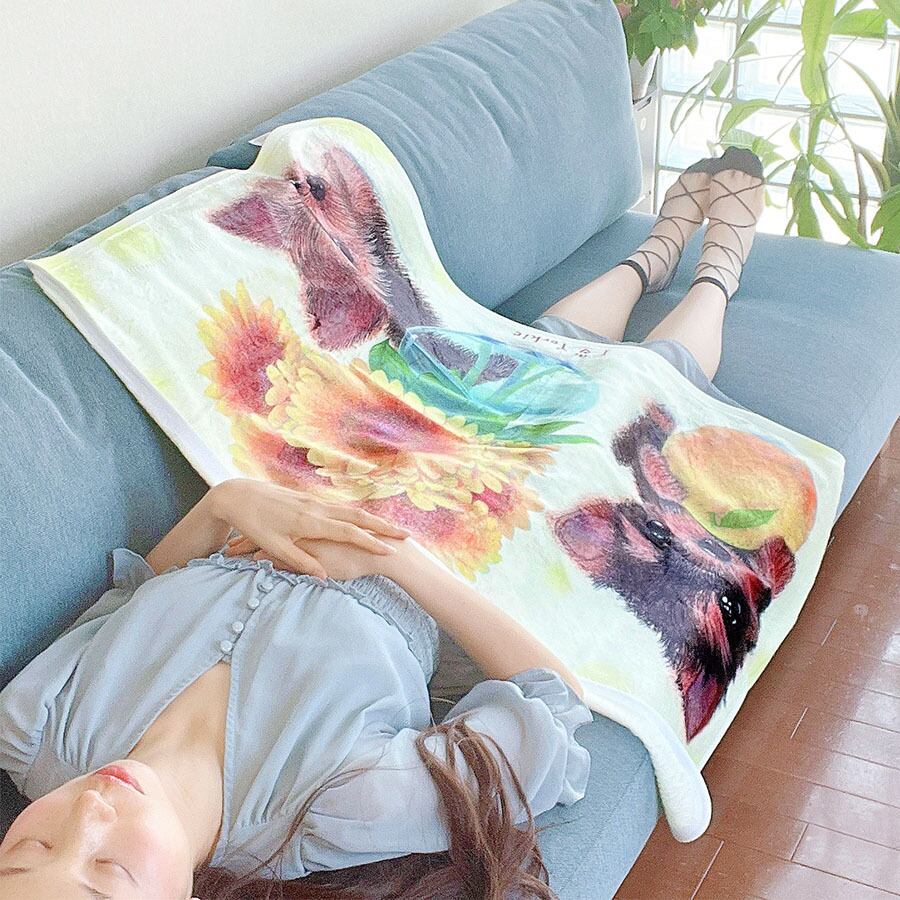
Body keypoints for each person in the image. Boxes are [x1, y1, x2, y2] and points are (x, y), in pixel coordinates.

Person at [0, 148, 765, 900]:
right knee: (617, 409)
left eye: (27, 850)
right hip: (466, 539)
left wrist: (223, 506)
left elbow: (127, 597)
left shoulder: (33, 729)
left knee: (494, 362)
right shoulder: (332, 806)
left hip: (337, 451)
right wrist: (394, 560)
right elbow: (548, 714)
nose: (87, 817)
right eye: (109, 872)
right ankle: (717, 276)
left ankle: (650, 258)